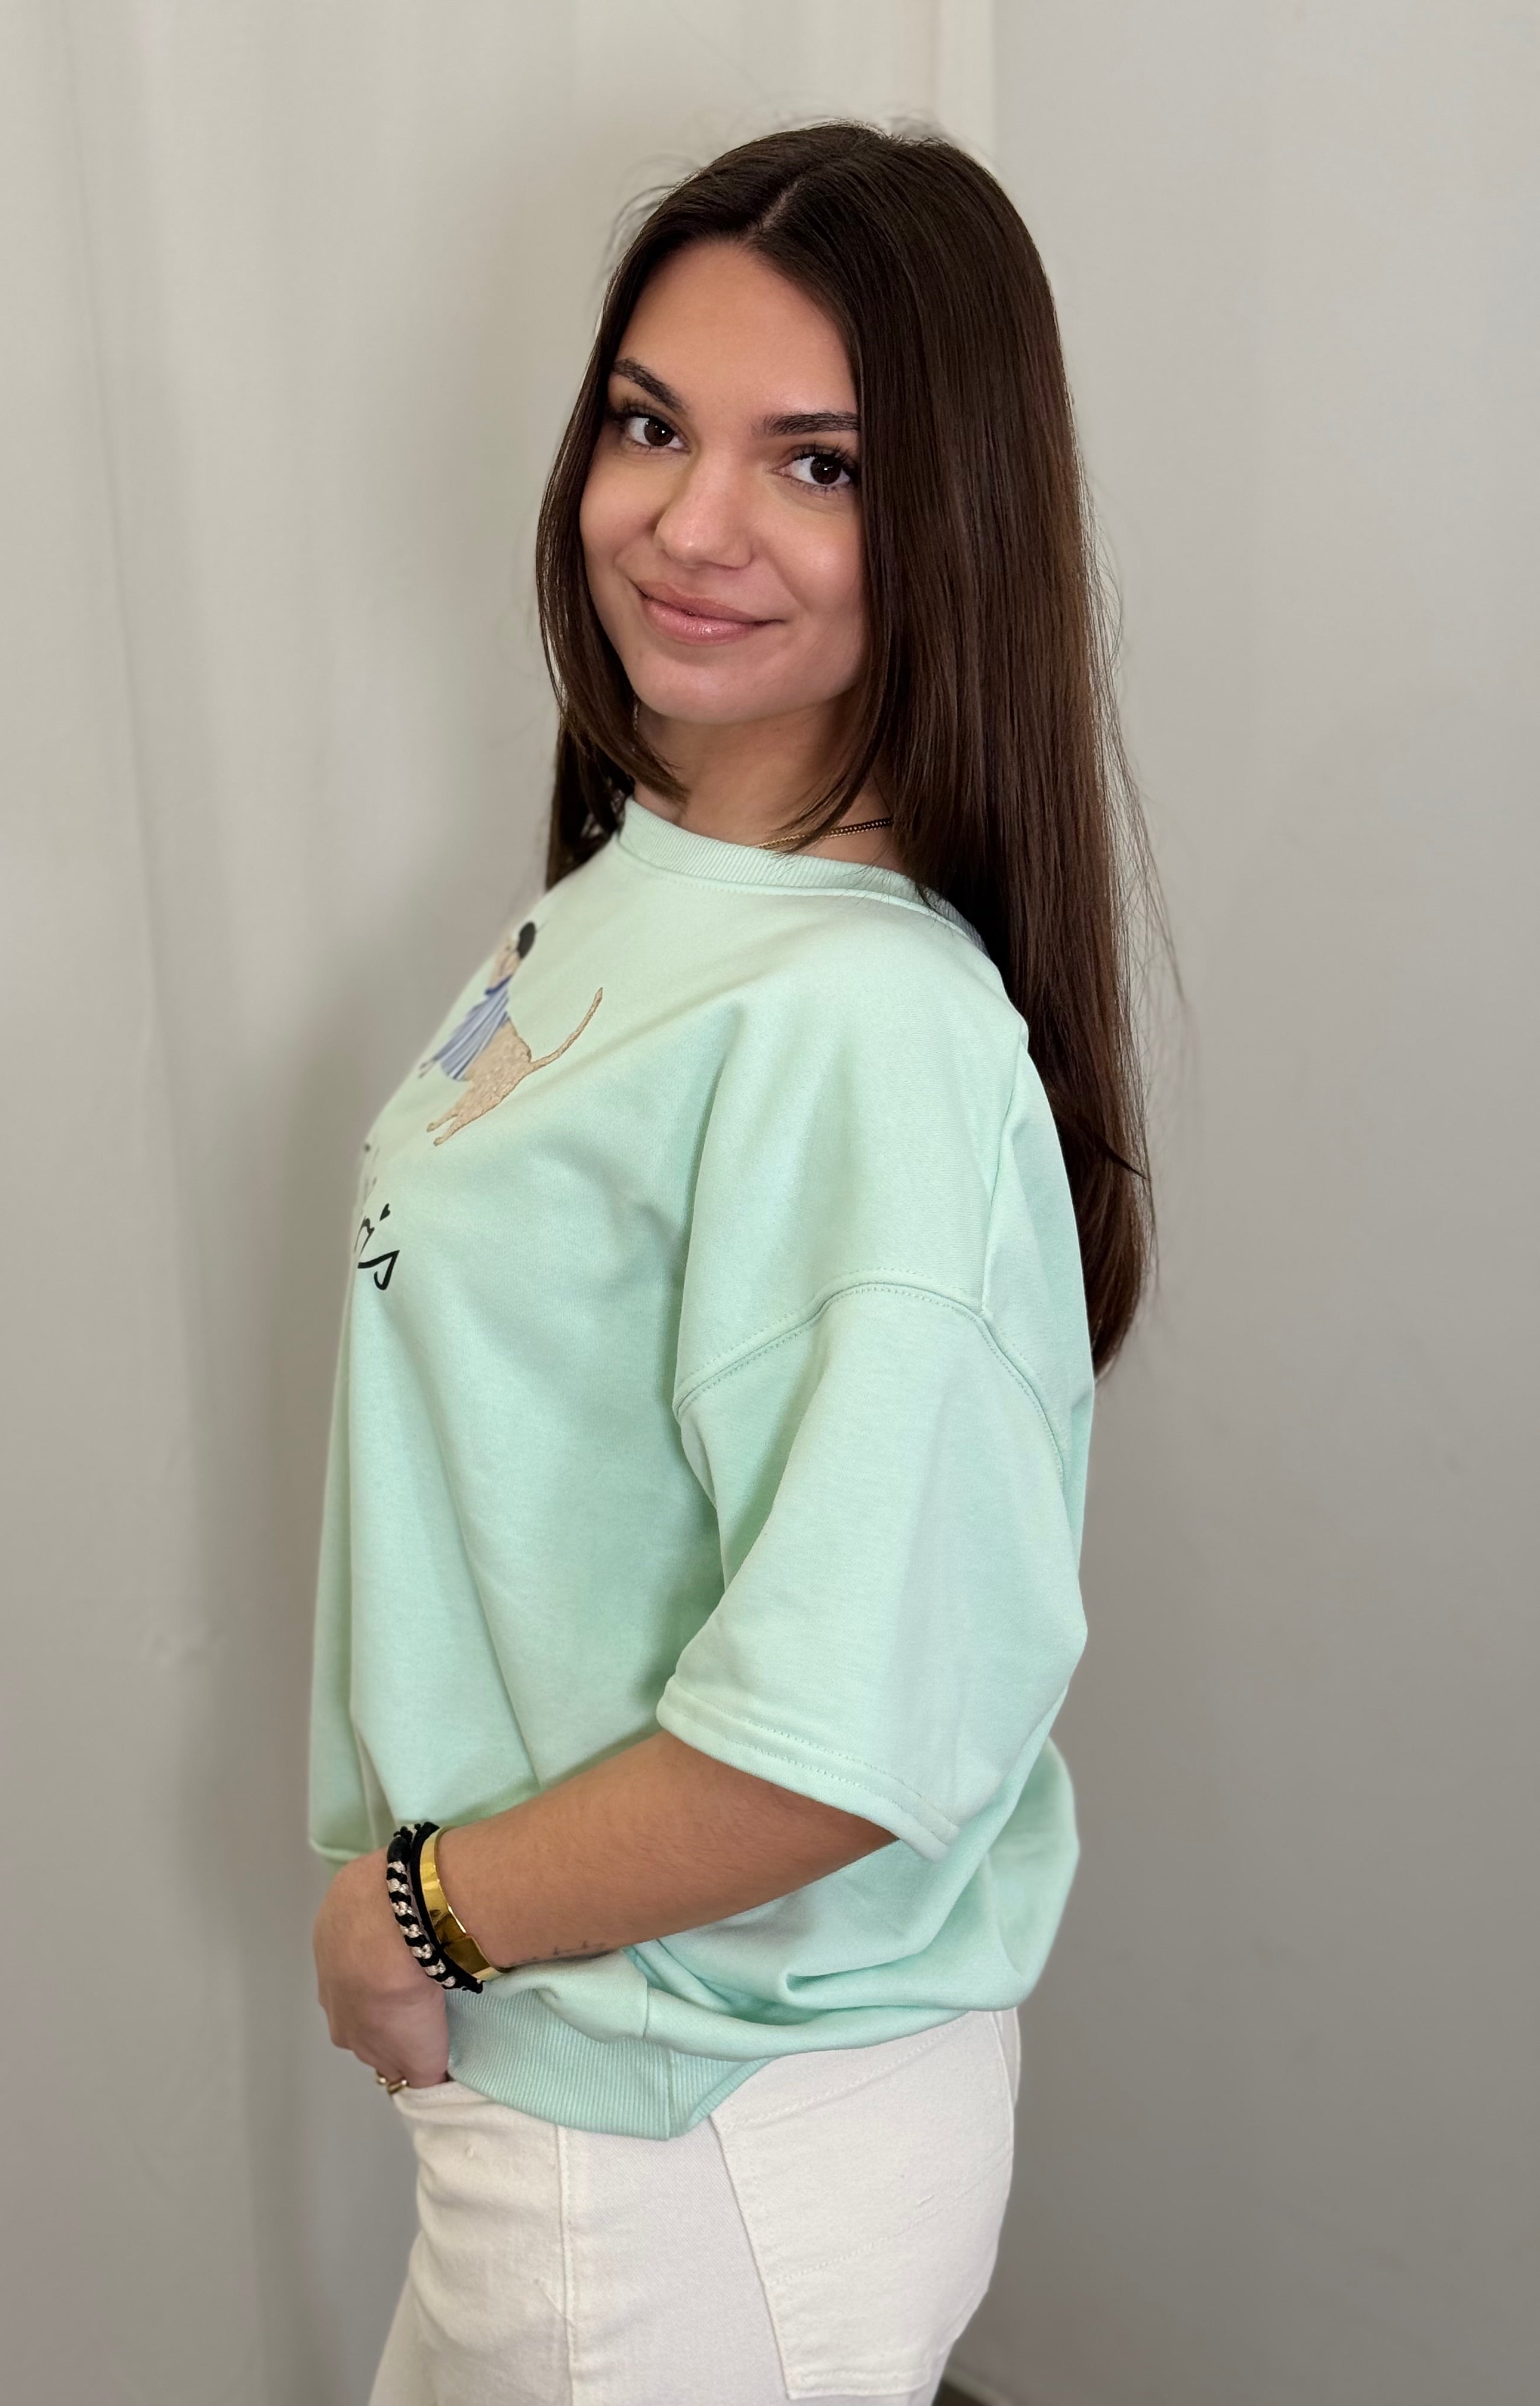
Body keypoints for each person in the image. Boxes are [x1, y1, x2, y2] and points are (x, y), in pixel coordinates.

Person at [309, 120, 1156, 2406]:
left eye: (820, 465)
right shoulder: (657, 883)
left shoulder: (864, 1025)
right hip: (594, 2087)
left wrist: (416, 1913)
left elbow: (845, 1734)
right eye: (652, 424)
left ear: (955, 522)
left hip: (695, 2137)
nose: (692, 524)